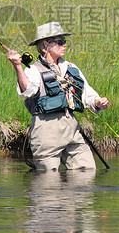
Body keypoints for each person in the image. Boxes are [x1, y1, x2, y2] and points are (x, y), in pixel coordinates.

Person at [7, 22, 109, 171]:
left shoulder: (71, 68)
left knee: (86, 170)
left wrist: (98, 102)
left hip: (71, 127)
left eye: (65, 41)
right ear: (45, 44)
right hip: (46, 129)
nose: (64, 45)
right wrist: (17, 66)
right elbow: (26, 92)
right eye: (60, 42)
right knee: (48, 179)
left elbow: (87, 94)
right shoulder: (34, 70)